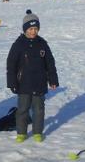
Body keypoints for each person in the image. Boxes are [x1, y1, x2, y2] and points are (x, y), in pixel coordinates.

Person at [6, 10, 58, 143]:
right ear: (25, 29)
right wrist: (12, 82)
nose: (33, 32)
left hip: (40, 83)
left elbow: (50, 63)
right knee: (22, 109)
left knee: (39, 109)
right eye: (30, 28)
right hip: (23, 84)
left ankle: (37, 132)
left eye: (35, 28)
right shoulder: (18, 45)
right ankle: (21, 132)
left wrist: (53, 79)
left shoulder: (42, 44)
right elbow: (11, 64)